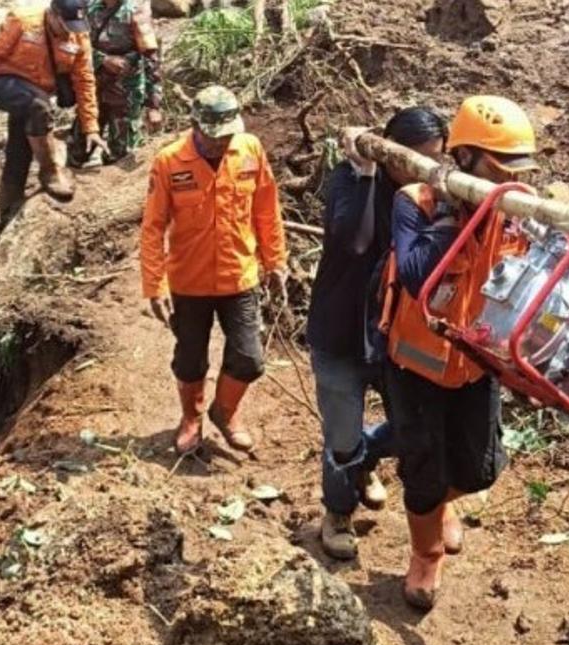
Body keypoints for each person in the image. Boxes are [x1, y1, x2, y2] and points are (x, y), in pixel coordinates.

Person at [380, 95, 539, 610]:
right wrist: (452, 217)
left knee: (480, 471)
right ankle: (425, 554)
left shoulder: (514, 212)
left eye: (516, 171)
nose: (508, 180)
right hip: (417, 365)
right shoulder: (417, 202)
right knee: (424, 474)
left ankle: (438, 504)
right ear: (464, 157)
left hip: (475, 364)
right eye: (498, 169)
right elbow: (415, 275)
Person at [308, 107, 449, 561]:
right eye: (414, 157)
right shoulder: (350, 180)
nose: (421, 168)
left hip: (397, 337)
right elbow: (354, 241)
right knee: (342, 437)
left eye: (434, 158)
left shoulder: (429, 197)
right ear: (390, 150)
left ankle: (364, 459)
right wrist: (366, 174)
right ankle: (337, 512)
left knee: (415, 427)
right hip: (341, 330)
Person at [140, 85, 286, 455]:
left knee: (250, 359)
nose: (221, 143)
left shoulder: (250, 150)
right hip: (189, 282)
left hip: (240, 276)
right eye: (214, 136)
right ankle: (191, 418)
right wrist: (154, 285)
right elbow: (153, 228)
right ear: (196, 127)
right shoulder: (170, 162)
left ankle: (225, 411)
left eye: (227, 136)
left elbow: (267, 210)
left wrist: (275, 261)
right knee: (190, 359)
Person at [0, 0, 106, 224]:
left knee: (20, 147)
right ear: (53, 14)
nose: (69, 31)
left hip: (34, 94)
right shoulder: (23, 21)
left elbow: (84, 80)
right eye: (65, 25)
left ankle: (7, 211)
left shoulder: (79, 37)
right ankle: (49, 170)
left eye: (74, 26)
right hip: (1, 82)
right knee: (39, 107)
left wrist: (91, 126)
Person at [67, 0, 163, 166]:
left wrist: (153, 106)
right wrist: (103, 60)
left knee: (120, 155)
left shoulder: (136, 13)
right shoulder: (90, 8)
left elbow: (152, 61)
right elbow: (76, 45)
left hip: (125, 94)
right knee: (77, 150)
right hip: (93, 90)